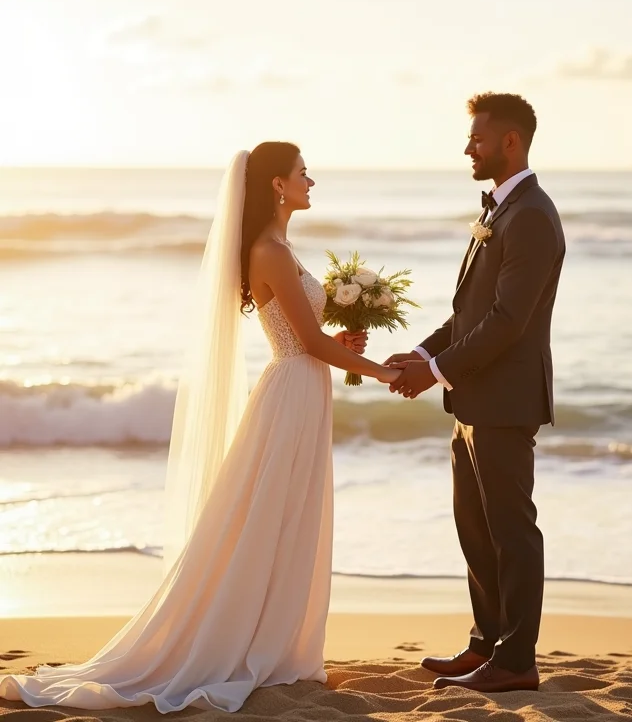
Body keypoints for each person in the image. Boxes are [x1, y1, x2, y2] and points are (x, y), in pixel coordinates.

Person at [0, 143, 400, 713]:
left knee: (289, 516)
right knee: (271, 518)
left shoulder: (281, 248)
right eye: (303, 173)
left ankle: (277, 644)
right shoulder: (270, 251)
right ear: (277, 185)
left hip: (302, 387)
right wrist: (383, 371)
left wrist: (342, 345)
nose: (311, 181)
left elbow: (309, 336)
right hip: (291, 391)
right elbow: (307, 343)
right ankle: (253, 644)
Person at [386, 93, 566, 693]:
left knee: (512, 532)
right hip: (473, 400)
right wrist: (421, 355)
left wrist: (435, 371)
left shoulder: (532, 215)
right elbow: (469, 314)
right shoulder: (501, 210)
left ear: (511, 141)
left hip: (505, 401)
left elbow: (507, 321)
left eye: (478, 138)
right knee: (476, 529)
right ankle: (487, 645)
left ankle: (516, 662)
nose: (468, 148)